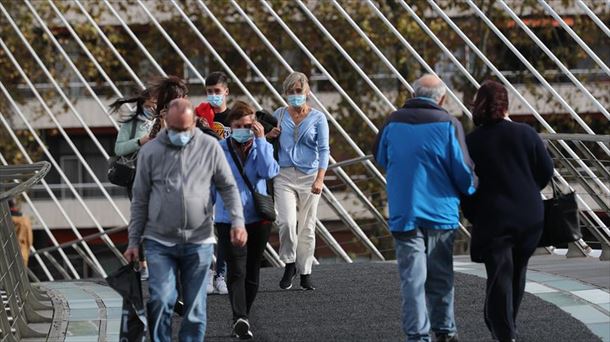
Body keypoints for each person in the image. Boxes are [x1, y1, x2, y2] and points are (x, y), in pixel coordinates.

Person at [124, 98, 247, 342]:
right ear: (165, 123)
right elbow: (139, 200)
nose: (180, 134)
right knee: (160, 299)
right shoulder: (150, 152)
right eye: (175, 129)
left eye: (186, 129)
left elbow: (228, 187)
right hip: (160, 241)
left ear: (195, 124)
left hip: (198, 240)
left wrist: (237, 222)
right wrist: (133, 241)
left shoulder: (209, 147)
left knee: (195, 307)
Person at [373, 74, 477, 342]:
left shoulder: (392, 123)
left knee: (412, 279)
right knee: (441, 276)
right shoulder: (448, 124)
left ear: (413, 93)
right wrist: (472, 190)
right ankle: (444, 329)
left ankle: (418, 335)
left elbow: (381, 157)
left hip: (405, 211)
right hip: (441, 213)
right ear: (442, 98)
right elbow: (463, 172)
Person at [462, 80, 553, 342]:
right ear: (506, 105)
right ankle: (506, 326)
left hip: (494, 218)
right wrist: (525, 189)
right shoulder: (526, 133)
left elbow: (465, 182)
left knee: (500, 274)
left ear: (479, 105)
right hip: (530, 216)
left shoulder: (471, 142)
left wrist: (473, 212)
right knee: (517, 271)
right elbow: (546, 171)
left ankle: (505, 333)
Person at [215, 100, 279, 339]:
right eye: (239, 125)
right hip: (228, 219)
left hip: (258, 219)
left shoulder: (261, 146)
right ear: (231, 126)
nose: (245, 129)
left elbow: (269, 171)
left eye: (249, 125)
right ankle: (238, 317)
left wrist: (262, 141)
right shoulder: (219, 149)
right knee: (237, 270)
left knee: (252, 271)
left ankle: (244, 317)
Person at [273, 71, 329, 291]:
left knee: (307, 226)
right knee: (286, 222)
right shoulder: (279, 114)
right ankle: (289, 263)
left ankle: (305, 271)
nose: (295, 95)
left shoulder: (318, 118)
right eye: (291, 92)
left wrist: (320, 178)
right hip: (284, 174)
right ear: (286, 94)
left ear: (307, 92)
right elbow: (265, 140)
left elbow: (324, 149)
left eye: (299, 91)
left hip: (310, 176)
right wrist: (269, 135)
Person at [111, 86, 157, 200]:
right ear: (141, 106)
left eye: (155, 105)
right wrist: (139, 141)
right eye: (147, 106)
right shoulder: (131, 124)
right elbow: (118, 149)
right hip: (137, 176)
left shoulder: (165, 122)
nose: (151, 109)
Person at [206, 71, 232, 139]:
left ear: (226, 91)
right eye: (209, 91)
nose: (213, 95)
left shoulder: (234, 117)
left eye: (217, 91)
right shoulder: (201, 117)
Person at [8, 199, 32, 267]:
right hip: (21, 250)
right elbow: (29, 239)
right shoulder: (25, 220)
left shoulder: (4, 219)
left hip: (6, 252)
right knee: (21, 275)